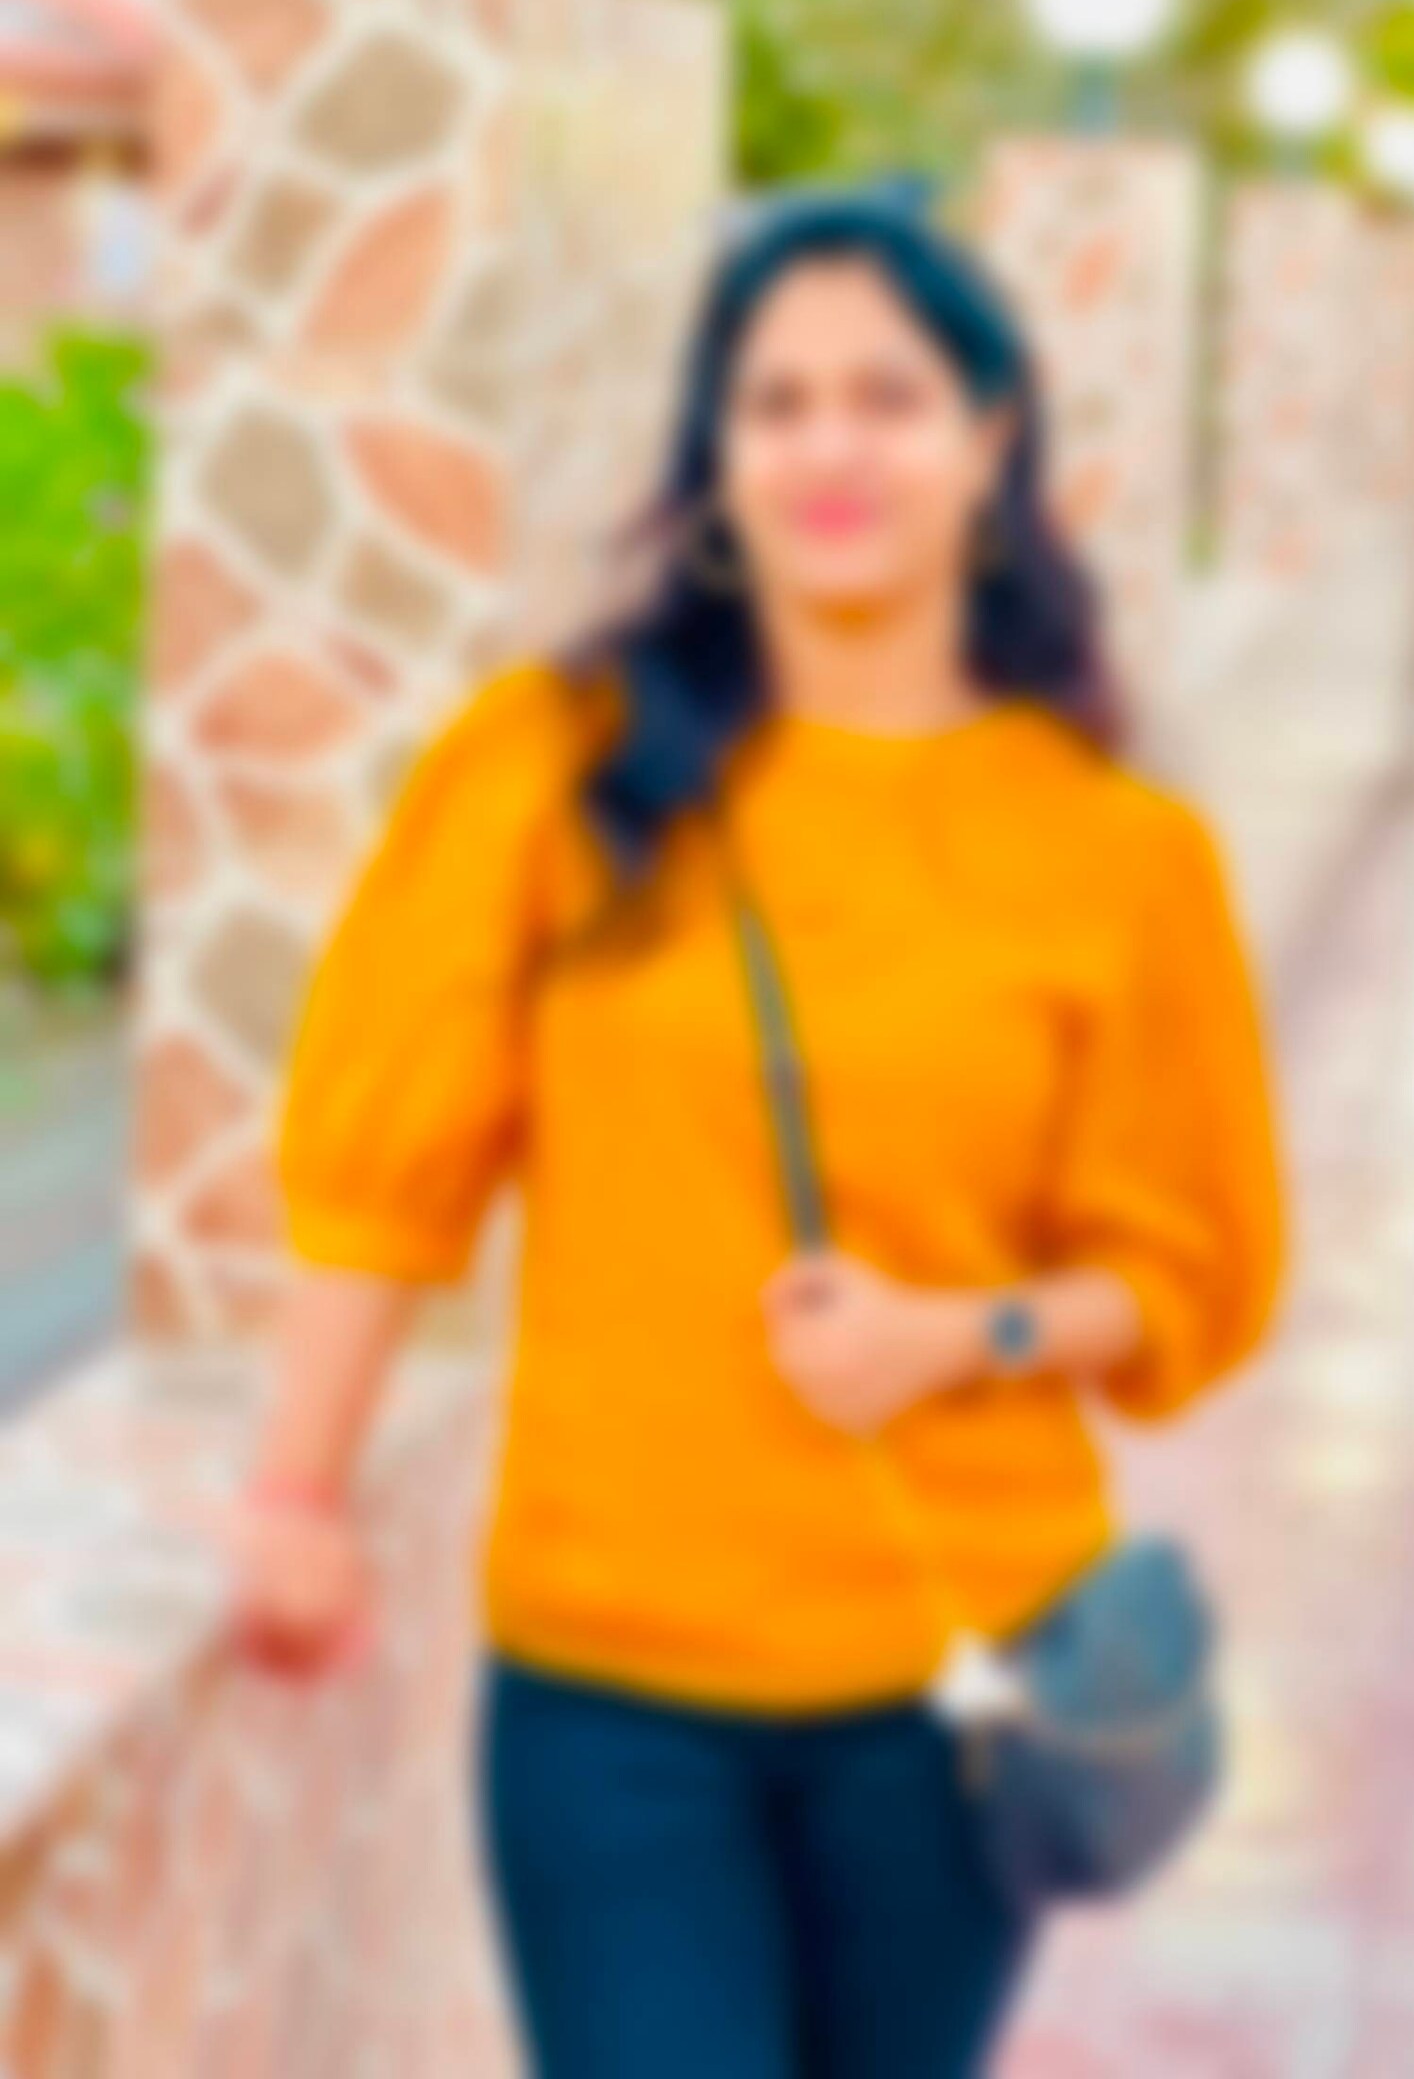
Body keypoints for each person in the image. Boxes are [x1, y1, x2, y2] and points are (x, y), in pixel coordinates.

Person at [229, 194, 1289, 2079]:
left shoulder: (1120, 856)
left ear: (992, 440)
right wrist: (295, 1493)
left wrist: (957, 1335)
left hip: (957, 1686)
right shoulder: (554, 769)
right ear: (713, 462)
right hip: (610, 1684)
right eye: (774, 403)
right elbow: (385, 1168)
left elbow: (1186, 1274)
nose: (827, 448)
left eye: (887, 398)